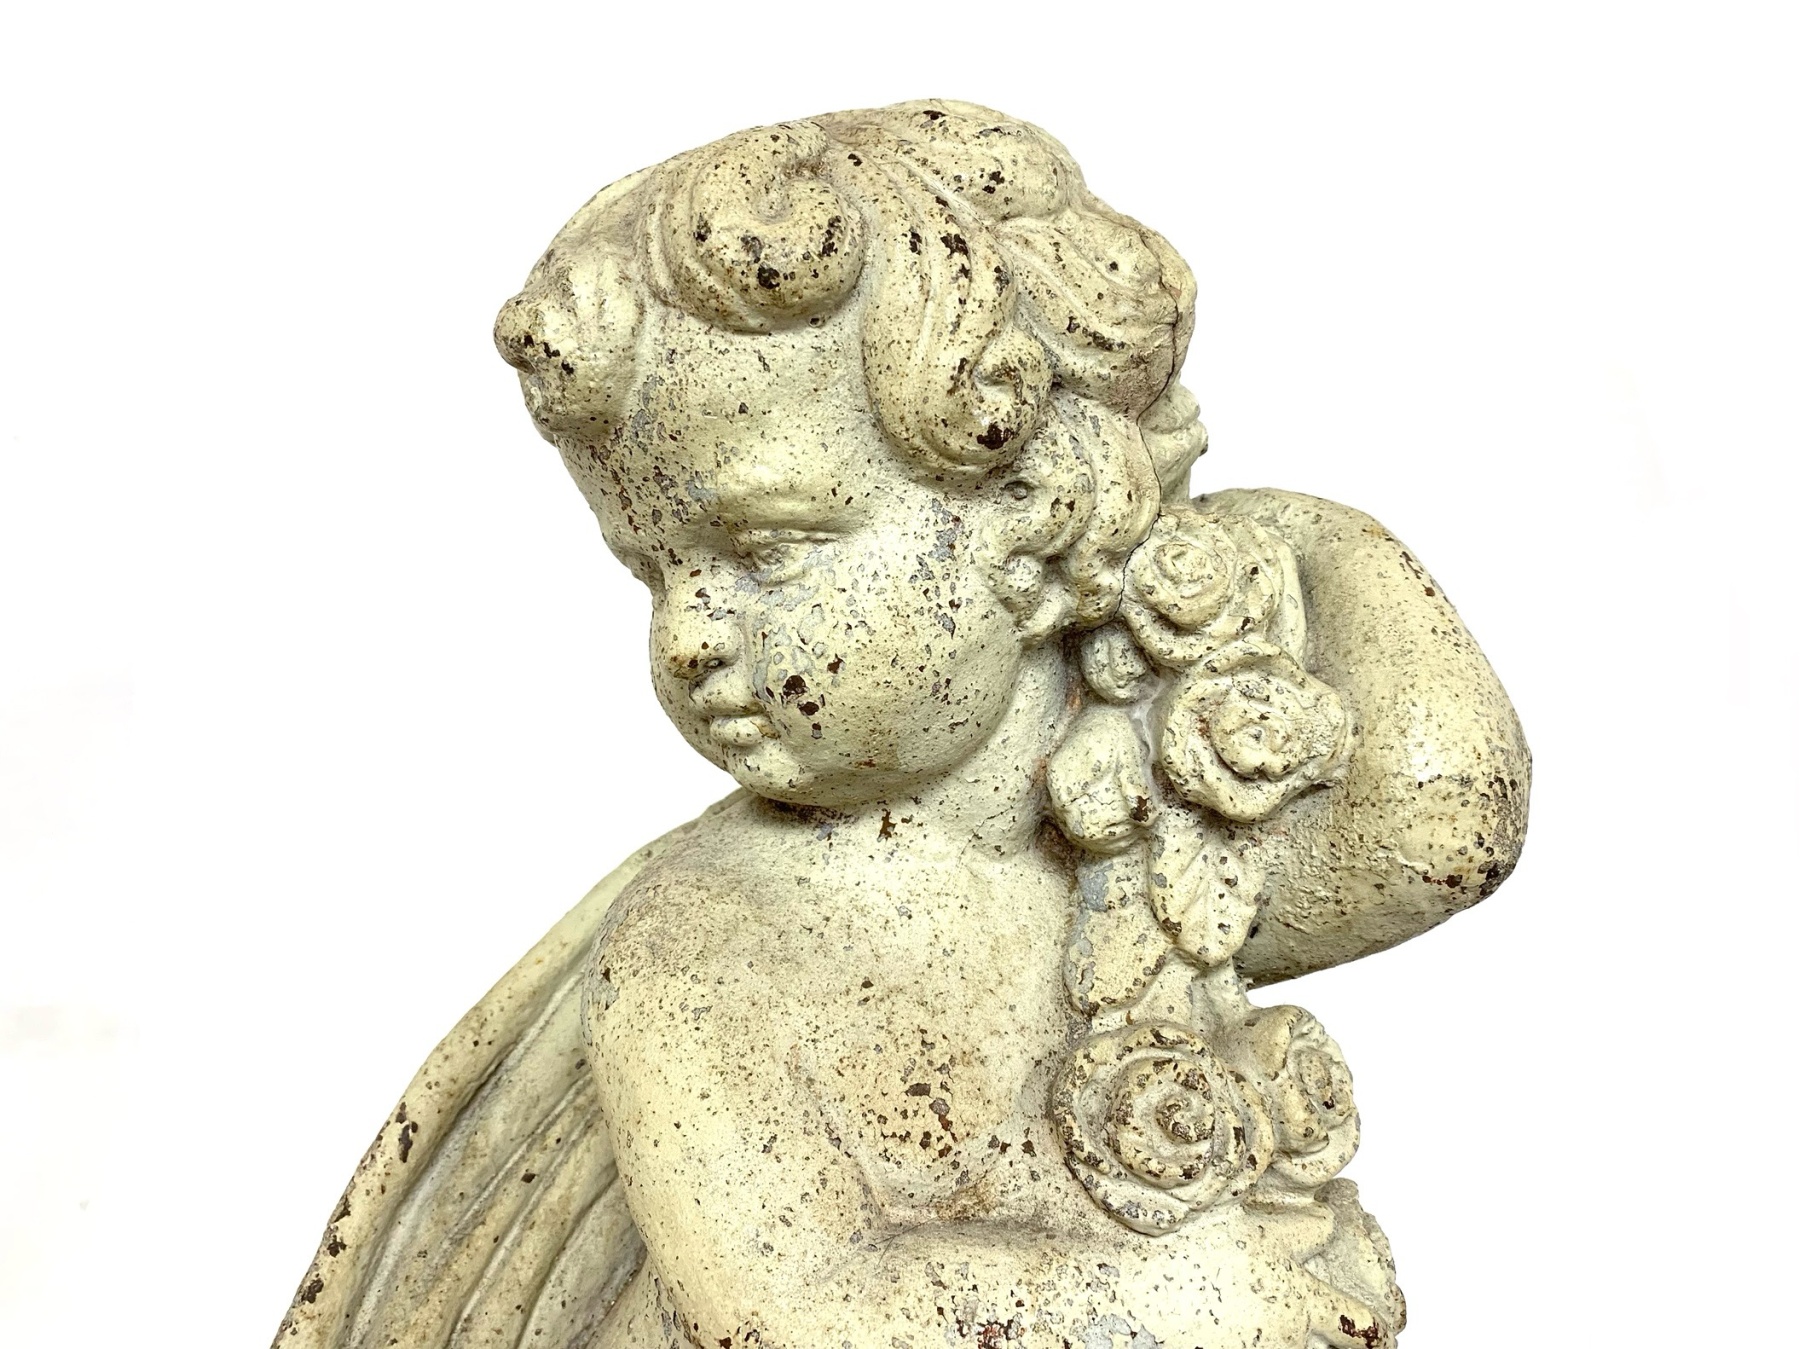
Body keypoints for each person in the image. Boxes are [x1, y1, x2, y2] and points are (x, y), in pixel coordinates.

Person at [277, 100, 1527, 1349]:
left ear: (1032, 507)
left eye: (765, 550)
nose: (691, 633)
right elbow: (785, 1312)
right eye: (654, 569)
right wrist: (1174, 1298)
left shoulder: (1149, 815)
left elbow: (1443, 822)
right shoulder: (708, 942)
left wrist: (1223, 534)